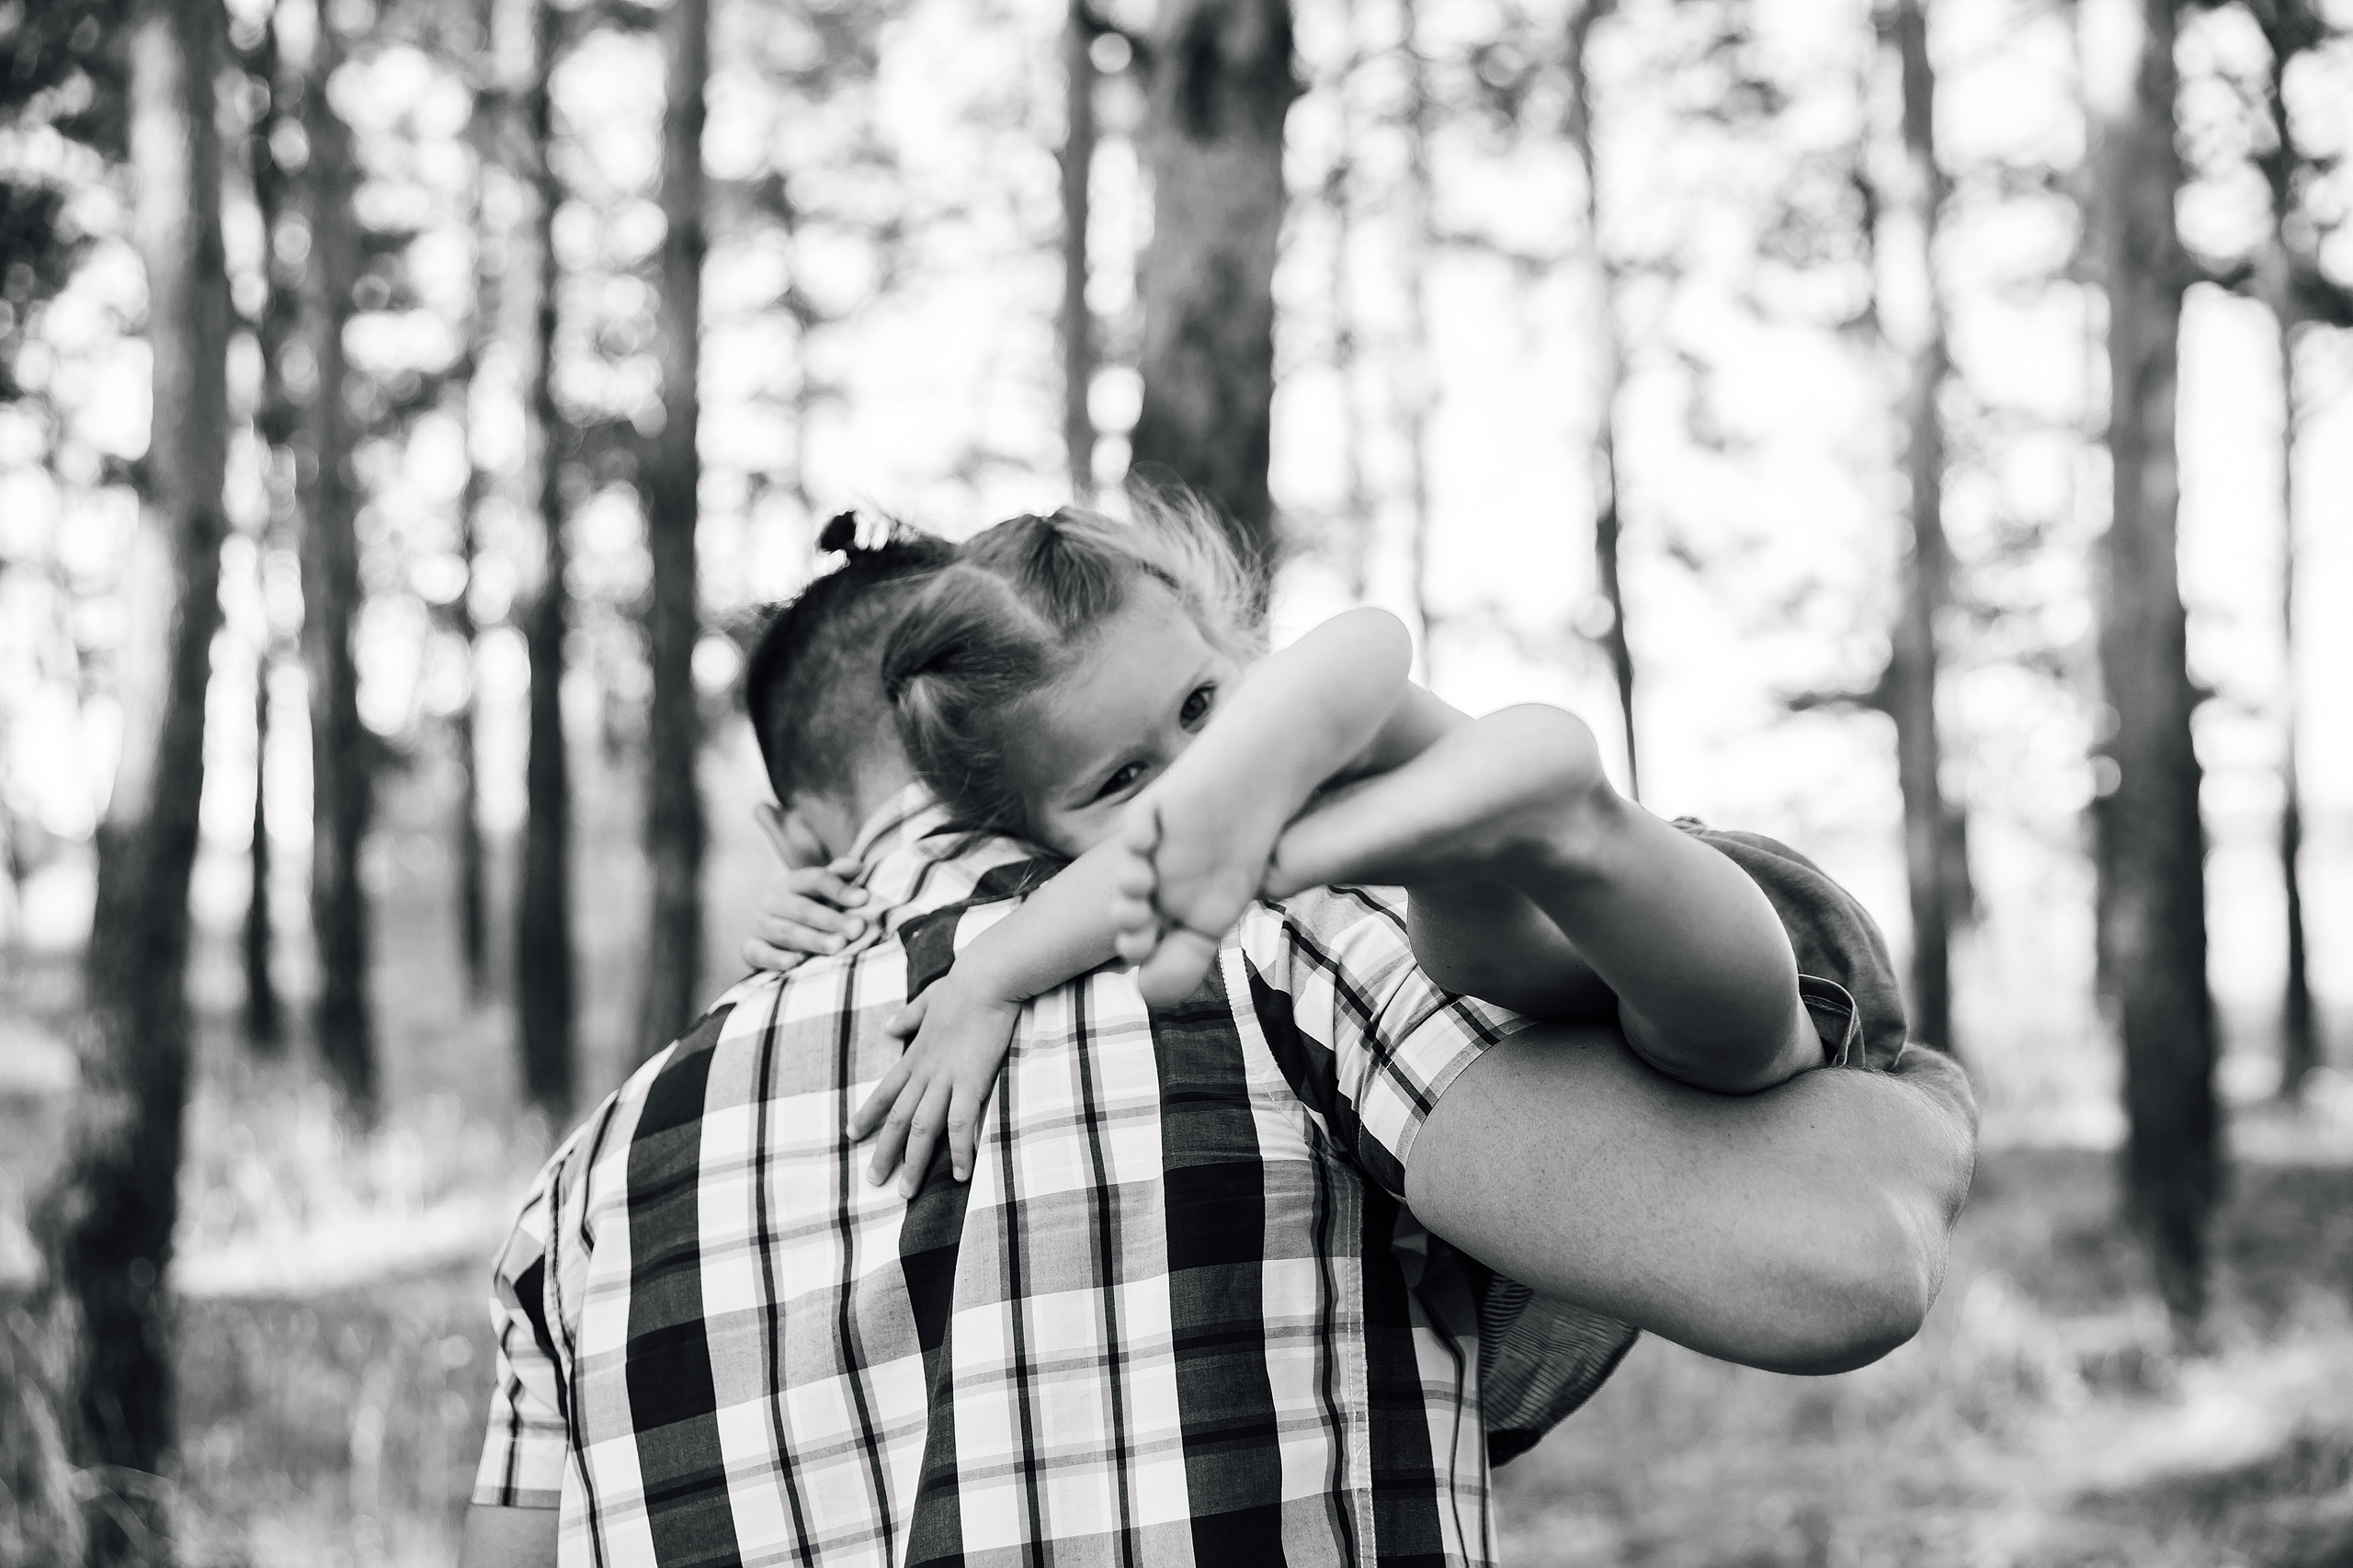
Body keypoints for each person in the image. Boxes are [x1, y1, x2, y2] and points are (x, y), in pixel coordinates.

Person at [460, 517, 1975, 1568]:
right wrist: (1925, 1121)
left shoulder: (578, 1196)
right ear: (1010, 792)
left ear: (798, 831)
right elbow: (1831, 1264)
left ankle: (1535, 804)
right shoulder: (1266, 961)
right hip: (1688, 953)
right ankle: (1544, 804)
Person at [760, 499, 1825, 1199]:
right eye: (1125, 779)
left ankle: (1535, 807)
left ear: (1231, 641)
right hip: (1584, 932)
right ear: (1018, 840)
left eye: (1198, 706)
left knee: (1732, 1044)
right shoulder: (1244, 821)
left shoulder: (1146, 869)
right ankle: (1543, 804)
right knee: (1488, 943)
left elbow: (1123, 877)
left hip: (1712, 920)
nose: (1190, 769)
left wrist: (985, 972)